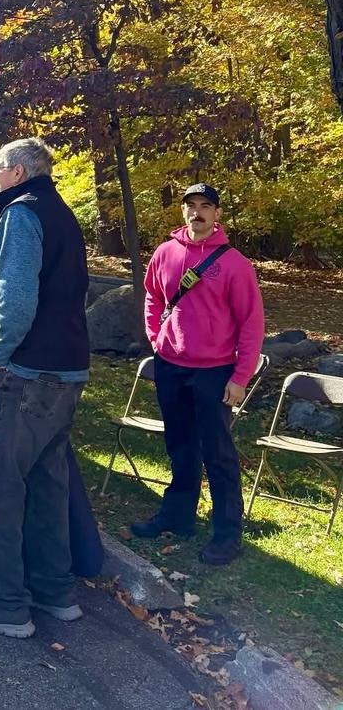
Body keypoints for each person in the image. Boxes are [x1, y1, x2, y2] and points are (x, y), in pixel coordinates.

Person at [0, 137, 90, 638]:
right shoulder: (63, 215)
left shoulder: (23, 216)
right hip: (69, 369)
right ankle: (56, 591)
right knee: (49, 484)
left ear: (19, 171)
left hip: (27, 373)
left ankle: (7, 602)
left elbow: (16, 297)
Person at [131, 183, 264, 566]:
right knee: (180, 445)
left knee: (217, 452)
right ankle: (178, 515)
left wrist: (240, 377)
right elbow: (154, 297)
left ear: (217, 214)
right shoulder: (165, 252)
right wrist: (158, 339)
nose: (197, 212)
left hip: (215, 371)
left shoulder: (235, 263)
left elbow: (252, 324)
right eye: (191, 206)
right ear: (183, 212)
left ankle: (227, 533)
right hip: (172, 365)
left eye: (206, 206)